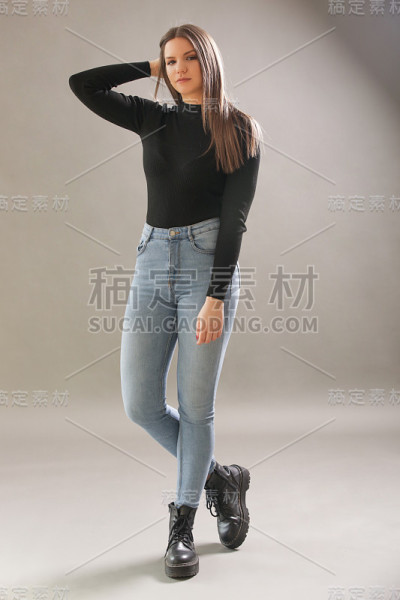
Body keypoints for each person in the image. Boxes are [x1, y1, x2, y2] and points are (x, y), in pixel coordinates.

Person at [69, 23, 262, 579]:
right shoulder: (152, 116)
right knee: (140, 404)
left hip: (206, 267)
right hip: (152, 262)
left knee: (196, 409)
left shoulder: (239, 128)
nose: (178, 69)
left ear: (209, 62)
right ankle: (221, 479)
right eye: (169, 61)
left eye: (188, 59)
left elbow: (235, 220)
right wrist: (151, 68)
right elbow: (83, 84)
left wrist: (216, 297)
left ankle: (182, 525)